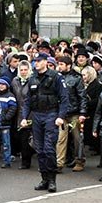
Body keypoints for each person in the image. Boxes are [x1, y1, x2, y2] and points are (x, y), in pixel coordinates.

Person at [20, 54, 69, 193]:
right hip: (37, 115)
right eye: (35, 61)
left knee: (49, 148)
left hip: (51, 114)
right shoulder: (32, 78)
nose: (36, 63)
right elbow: (28, 100)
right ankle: (44, 178)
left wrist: (61, 116)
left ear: (46, 62)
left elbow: (64, 98)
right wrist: (24, 117)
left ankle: (52, 180)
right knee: (39, 149)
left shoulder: (56, 77)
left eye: (39, 61)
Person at [56, 56, 88, 172]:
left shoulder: (76, 78)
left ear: (68, 65)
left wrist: (82, 113)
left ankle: (80, 160)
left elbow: (82, 96)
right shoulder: (57, 77)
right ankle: (59, 163)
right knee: (61, 138)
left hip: (74, 112)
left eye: (61, 64)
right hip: (62, 113)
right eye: (58, 64)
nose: (59, 67)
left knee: (77, 138)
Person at [10, 60, 34, 169]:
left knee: (30, 138)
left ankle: (29, 160)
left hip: (31, 112)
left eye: (25, 70)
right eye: (21, 70)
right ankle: (25, 160)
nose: (23, 72)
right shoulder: (15, 81)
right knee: (21, 138)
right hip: (18, 112)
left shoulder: (33, 80)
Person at [0, 78, 18, 168]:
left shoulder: (10, 96)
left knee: (6, 143)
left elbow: (13, 108)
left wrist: (6, 117)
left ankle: (7, 160)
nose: (1, 86)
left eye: (3, 84)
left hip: (5, 124)